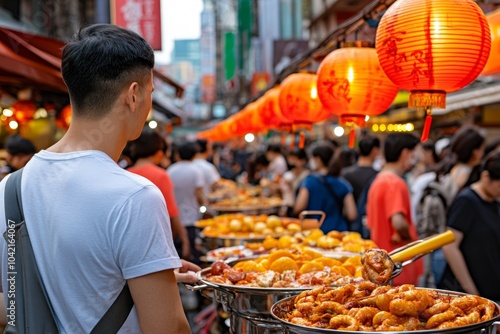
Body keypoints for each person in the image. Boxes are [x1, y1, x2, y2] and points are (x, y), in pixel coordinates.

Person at [0, 24, 192, 333]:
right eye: (151, 94)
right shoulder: (136, 196)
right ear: (133, 94)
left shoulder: (8, 189)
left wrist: (146, 274)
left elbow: (13, 298)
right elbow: (167, 327)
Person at [439, 151, 500, 302]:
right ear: (486, 177)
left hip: (490, 292)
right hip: (465, 295)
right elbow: (450, 246)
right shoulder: (467, 201)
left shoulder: (494, 202)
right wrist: (471, 291)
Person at [366, 133, 422, 286]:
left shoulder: (378, 180)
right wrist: (410, 238)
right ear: (405, 153)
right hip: (398, 263)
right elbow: (398, 221)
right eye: (414, 153)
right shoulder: (395, 183)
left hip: (381, 262)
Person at [127, 127, 191, 260]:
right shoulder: (161, 175)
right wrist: (184, 239)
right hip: (157, 242)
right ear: (158, 151)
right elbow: (172, 212)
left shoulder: (125, 174)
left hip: (132, 242)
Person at [294, 143, 357, 233]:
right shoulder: (343, 183)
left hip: (314, 233)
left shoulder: (309, 181)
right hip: (338, 233)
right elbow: (352, 215)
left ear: (318, 159)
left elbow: (299, 207)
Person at [167, 141, 206, 265]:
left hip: (174, 218)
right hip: (192, 217)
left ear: (177, 154)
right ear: (194, 155)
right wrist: (204, 206)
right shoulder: (196, 171)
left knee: (175, 250)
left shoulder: (170, 170)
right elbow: (198, 194)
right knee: (192, 248)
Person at [279, 148, 310, 217]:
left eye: (295, 159)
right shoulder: (287, 175)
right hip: (289, 208)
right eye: (291, 159)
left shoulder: (308, 176)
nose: (292, 162)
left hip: (303, 210)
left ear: (303, 161)